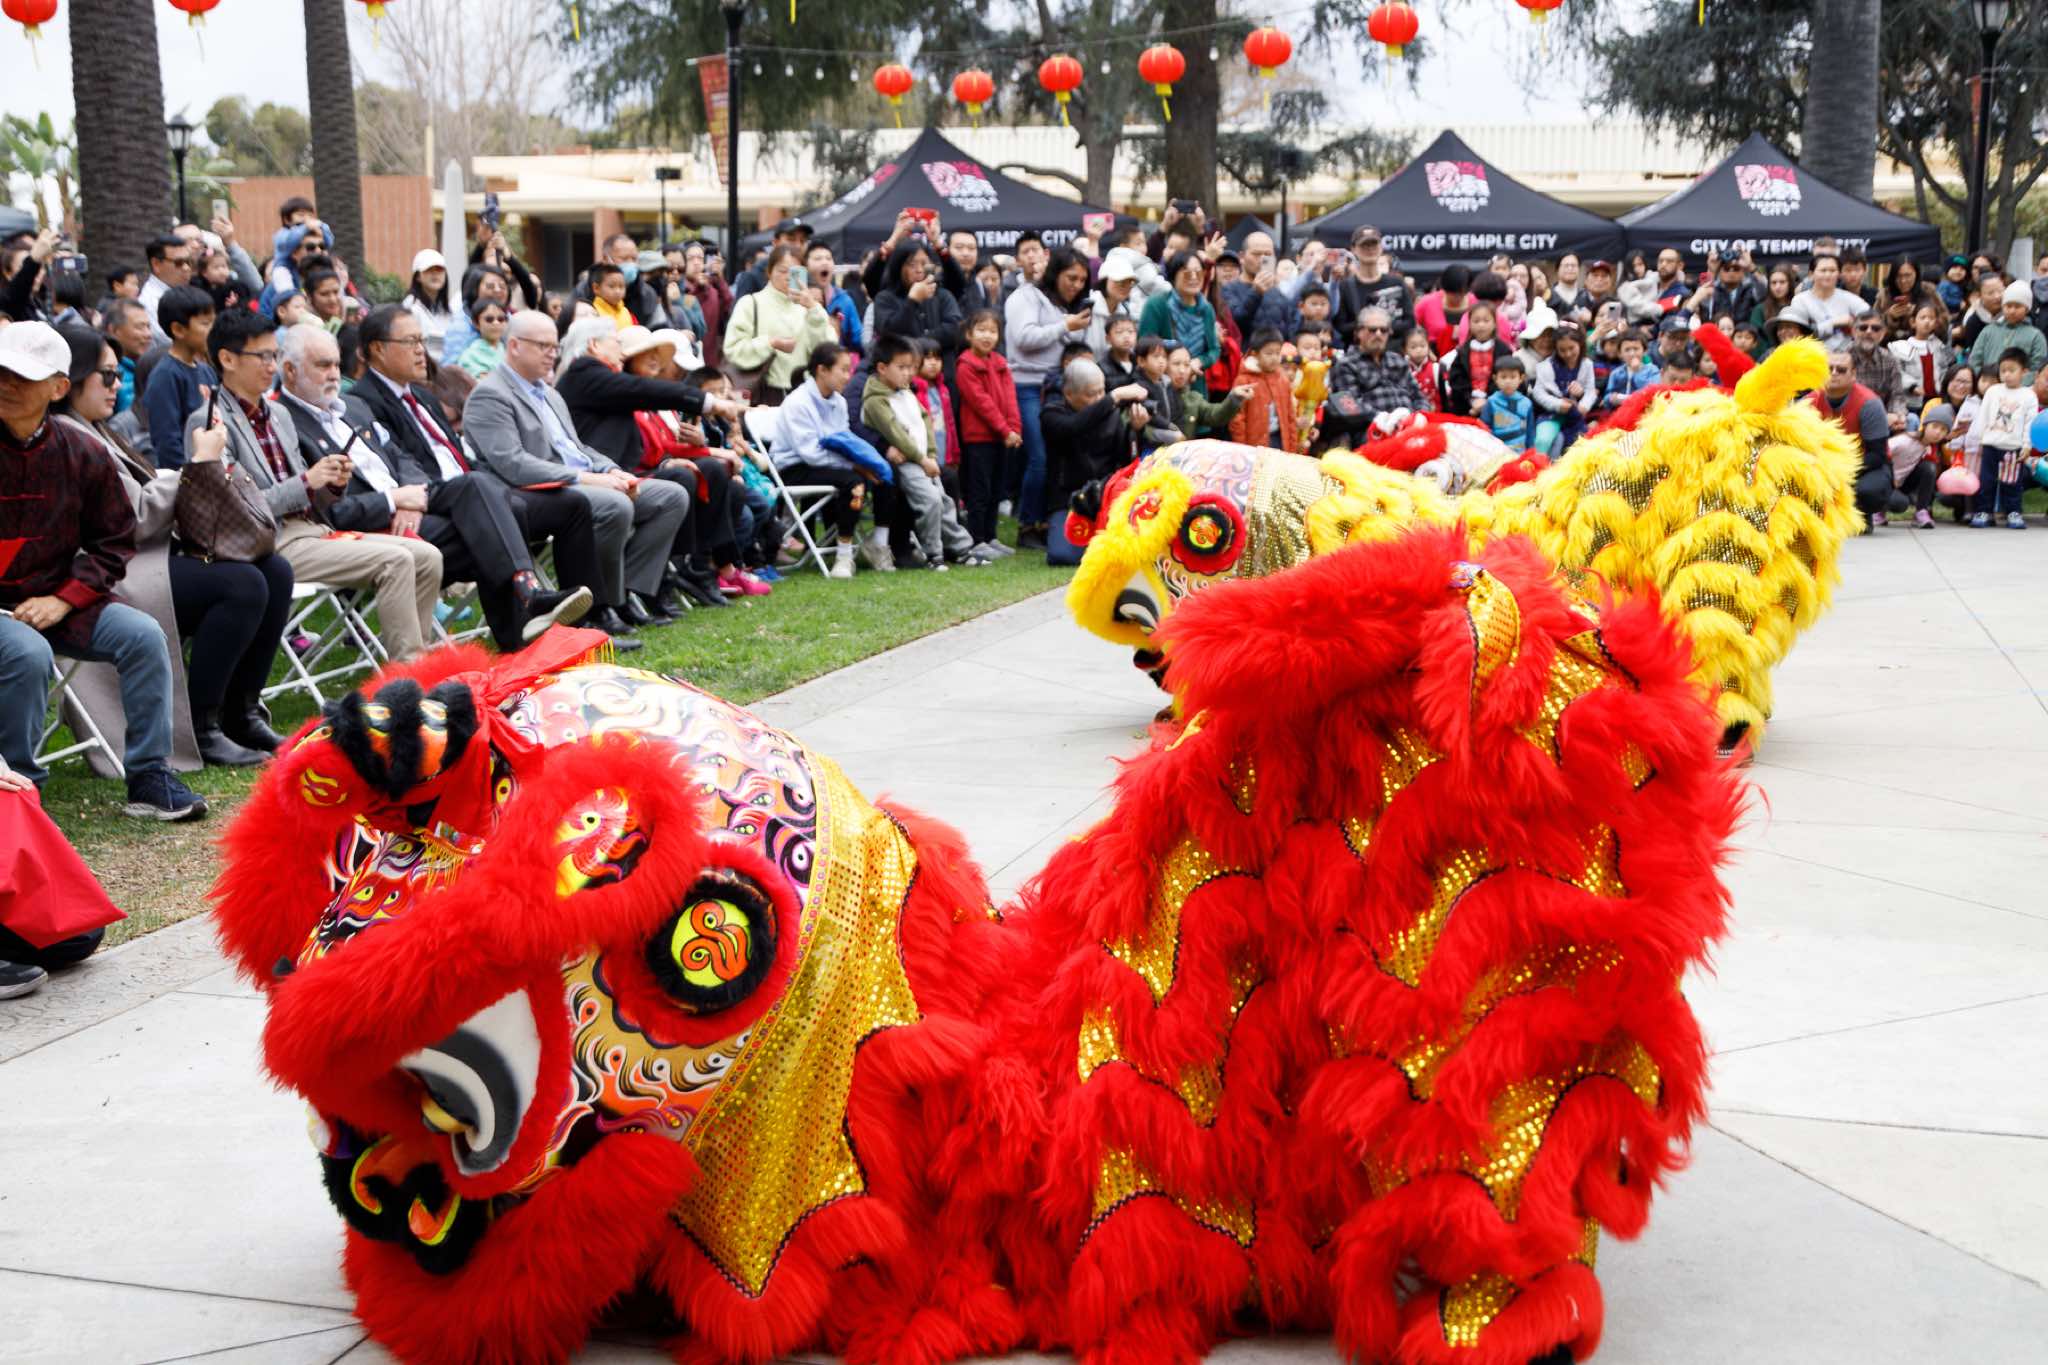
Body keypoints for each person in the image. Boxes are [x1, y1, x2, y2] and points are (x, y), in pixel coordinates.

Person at [279, 322, 589, 652]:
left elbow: (400, 458)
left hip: (412, 503)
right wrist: (393, 500)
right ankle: (522, 621)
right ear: (290, 370)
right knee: (488, 525)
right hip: (369, 527)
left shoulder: (352, 408)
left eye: (336, 364)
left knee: (479, 491)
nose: (333, 374)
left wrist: (415, 497)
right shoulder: (286, 422)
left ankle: (526, 608)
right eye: (322, 365)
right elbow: (330, 510)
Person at [0, 323, 205, 818]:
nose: (7, 385)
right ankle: (18, 788)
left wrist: (65, 598)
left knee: (143, 635)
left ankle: (149, 776)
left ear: (58, 388)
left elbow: (114, 542)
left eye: (22, 377)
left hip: (55, 598)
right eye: (0, 373)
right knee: (26, 653)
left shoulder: (83, 452)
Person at [189, 308, 445, 665]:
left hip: (311, 531)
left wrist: (332, 485)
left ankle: (423, 660)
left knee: (428, 557)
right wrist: (308, 481)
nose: (272, 366)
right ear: (227, 359)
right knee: (396, 561)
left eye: (274, 355)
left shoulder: (277, 415)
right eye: (262, 356)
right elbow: (234, 508)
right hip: (265, 544)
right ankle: (410, 672)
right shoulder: (210, 423)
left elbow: (309, 496)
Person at [466, 312, 690, 643]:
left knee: (672, 496)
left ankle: (631, 592)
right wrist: (588, 479)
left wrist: (611, 469)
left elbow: (577, 447)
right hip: (535, 492)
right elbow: (513, 465)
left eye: (554, 346)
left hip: (579, 482)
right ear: (513, 346)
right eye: (542, 346)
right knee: (615, 505)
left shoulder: (549, 393)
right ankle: (600, 606)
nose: (552, 354)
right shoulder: (490, 394)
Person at [555, 320, 750, 611]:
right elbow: (650, 431)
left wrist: (703, 448)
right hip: (599, 478)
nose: (621, 350)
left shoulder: (613, 383)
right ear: (594, 345)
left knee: (696, 480)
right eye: (616, 342)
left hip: (619, 473)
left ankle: (666, 577)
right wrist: (710, 403)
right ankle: (625, 595)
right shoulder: (588, 373)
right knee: (680, 481)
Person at [860, 334, 979, 570]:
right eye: (902, 367)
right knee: (931, 502)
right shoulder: (875, 400)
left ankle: (962, 549)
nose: (908, 373)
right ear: (882, 368)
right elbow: (896, 434)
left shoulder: (905, 391)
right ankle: (934, 554)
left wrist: (931, 454)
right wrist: (923, 459)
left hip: (924, 459)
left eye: (911, 367)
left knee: (944, 502)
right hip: (908, 463)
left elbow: (924, 419)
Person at [1006, 244, 1094, 549]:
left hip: (1057, 385)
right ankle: (1028, 525)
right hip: (1027, 386)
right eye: (1071, 278)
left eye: (1082, 280)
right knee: (1039, 458)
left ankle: (1047, 522)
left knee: (1057, 458)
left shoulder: (1061, 304)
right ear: (1056, 273)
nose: (1076, 285)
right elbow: (1024, 338)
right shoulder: (1025, 297)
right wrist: (1066, 325)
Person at [776, 343, 878, 579]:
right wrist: (853, 465)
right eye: (843, 370)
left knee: (873, 476)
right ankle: (844, 556)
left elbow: (844, 441)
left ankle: (877, 544)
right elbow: (810, 453)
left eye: (849, 370)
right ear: (822, 370)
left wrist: (865, 463)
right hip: (793, 468)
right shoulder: (798, 402)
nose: (847, 376)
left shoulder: (839, 402)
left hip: (825, 466)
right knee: (854, 482)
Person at [1041, 357, 1144, 561]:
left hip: (1103, 495)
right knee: (1063, 555)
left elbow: (1126, 459)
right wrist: (1113, 396)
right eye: (1091, 394)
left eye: (1102, 391)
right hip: (1067, 499)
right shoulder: (1051, 414)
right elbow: (1074, 426)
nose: (1099, 398)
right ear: (1068, 394)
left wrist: (1136, 430)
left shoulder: (1111, 413)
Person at [722, 244, 838, 405]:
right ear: (769, 272)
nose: (789, 277)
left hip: (803, 393)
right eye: (783, 271)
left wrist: (813, 309)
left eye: (795, 272)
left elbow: (828, 350)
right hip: (764, 393)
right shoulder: (750, 303)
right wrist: (770, 343)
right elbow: (733, 349)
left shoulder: (809, 307)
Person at [955, 309, 1022, 553]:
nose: (987, 336)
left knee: (996, 489)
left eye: (992, 331)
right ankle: (977, 539)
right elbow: (982, 404)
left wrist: (1015, 428)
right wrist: (1005, 430)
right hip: (979, 439)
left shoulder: (1000, 363)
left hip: (1002, 438)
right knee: (979, 490)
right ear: (969, 334)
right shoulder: (965, 365)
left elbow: (1010, 398)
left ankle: (991, 536)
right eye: (981, 330)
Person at [1812, 345, 1892, 528]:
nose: (1834, 373)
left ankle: (1863, 514)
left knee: (1870, 491)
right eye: (1829, 369)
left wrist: (1841, 470)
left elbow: (1877, 455)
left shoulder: (1870, 404)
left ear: (1853, 374)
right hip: (1824, 466)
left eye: (1841, 370)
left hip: (1865, 466)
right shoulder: (1809, 402)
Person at [141, 285, 217, 469]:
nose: (212, 331)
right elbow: (167, 441)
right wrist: (189, 475)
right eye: (205, 324)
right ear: (178, 329)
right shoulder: (165, 376)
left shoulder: (206, 371)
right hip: (189, 475)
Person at [1328, 307, 1424, 437]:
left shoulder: (1398, 360)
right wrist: (1385, 419)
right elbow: (1349, 406)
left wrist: (1418, 416)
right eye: (1372, 330)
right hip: (1373, 432)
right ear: (1358, 333)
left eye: (1383, 330)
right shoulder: (1345, 365)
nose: (1378, 334)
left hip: (1411, 426)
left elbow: (1419, 396)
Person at [1972, 347, 2039, 528]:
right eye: (2003, 370)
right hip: (1990, 444)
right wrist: (1979, 439)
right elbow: (1983, 416)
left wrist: (2027, 445)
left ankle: (2013, 512)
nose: (2006, 375)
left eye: (2012, 370)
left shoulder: (2029, 396)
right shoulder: (1993, 391)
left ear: (2024, 371)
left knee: (2012, 481)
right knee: (1987, 480)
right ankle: (1984, 511)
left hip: (2013, 447)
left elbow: (2030, 422)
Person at [871, 241, 964, 366]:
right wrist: (912, 301)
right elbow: (890, 334)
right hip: (904, 369)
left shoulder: (942, 295)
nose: (919, 270)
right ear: (899, 266)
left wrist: (920, 339)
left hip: (941, 369)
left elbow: (954, 329)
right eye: (912, 264)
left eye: (924, 263)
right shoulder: (885, 298)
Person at [1533, 324, 1598, 456]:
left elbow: (1590, 391)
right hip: (1551, 415)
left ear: (1580, 344)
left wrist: (1583, 404)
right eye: (1562, 350)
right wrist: (1558, 404)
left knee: (1580, 445)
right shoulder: (1545, 366)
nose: (1568, 354)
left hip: (1576, 416)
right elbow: (1538, 393)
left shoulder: (1587, 365)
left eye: (1571, 348)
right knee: (1543, 441)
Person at [1967, 279, 2047, 381]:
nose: (2012, 311)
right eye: (2008, 306)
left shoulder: (2035, 336)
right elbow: (1974, 360)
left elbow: (2037, 369)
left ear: (2027, 309)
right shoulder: (1988, 331)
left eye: (2017, 306)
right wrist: (1984, 381)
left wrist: (2016, 384)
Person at [1885, 403, 1948, 529]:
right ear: (1925, 425)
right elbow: (1880, 455)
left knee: (1929, 468)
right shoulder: (1904, 440)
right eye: (1935, 426)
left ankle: (1921, 512)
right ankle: (1877, 511)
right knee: (1899, 503)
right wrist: (1889, 477)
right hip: (1885, 482)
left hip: (1902, 484)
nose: (1937, 432)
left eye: (1943, 430)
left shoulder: (1929, 449)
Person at [1848, 314, 1908, 432]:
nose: (1869, 332)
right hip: (1851, 416)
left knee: (1911, 420)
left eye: (1875, 328)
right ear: (1853, 332)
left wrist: (1897, 415)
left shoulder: (1890, 359)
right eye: (1863, 328)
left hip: (1885, 417)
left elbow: (1897, 395)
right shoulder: (1841, 358)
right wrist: (1880, 418)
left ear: (1882, 334)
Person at [1442, 302, 1502, 417]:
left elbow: (1505, 377)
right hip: (1466, 406)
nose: (1481, 325)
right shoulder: (1463, 351)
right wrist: (1471, 400)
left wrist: (1487, 401)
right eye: (1476, 321)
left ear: (1494, 323)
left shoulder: (1503, 350)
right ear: (1469, 324)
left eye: (1486, 321)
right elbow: (1456, 378)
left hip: (1496, 406)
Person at [734, 218, 813, 300]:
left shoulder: (810, 274)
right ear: (776, 243)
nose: (798, 245)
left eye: (803, 241)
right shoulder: (753, 276)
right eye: (791, 239)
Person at [137, 234, 197, 342]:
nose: (186, 268)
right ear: (156, 264)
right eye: (179, 263)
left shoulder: (187, 291)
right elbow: (168, 341)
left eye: (189, 262)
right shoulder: (150, 302)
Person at [100, 297, 152, 418]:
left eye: (148, 327)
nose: (148, 334)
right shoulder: (108, 373)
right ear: (114, 330)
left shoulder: (150, 365)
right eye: (140, 327)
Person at [401, 249, 455, 357]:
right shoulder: (410, 307)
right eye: (429, 270)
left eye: (439, 269)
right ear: (418, 277)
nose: (435, 274)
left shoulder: (446, 309)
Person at [1413, 264, 1472, 356]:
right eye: (1452, 293)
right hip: (1433, 355)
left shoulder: (1476, 303)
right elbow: (1412, 327)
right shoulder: (1427, 302)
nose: (1457, 297)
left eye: (1462, 293)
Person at [1620, 248, 1688, 322]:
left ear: (1680, 266)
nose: (1663, 264)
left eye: (1669, 261)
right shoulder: (1627, 287)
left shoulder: (1681, 292)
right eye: (1660, 261)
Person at [1481, 356, 1535, 449]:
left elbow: (1530, 430)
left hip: (1519, 451)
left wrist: (1530, 449)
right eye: (1503, 377)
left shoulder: (1526, 403)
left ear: (1521, 378)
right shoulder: (1491, 402)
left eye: (1513, 377)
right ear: (1495, 378)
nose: (1508, 381)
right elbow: (1484, 428)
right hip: (1497, 451)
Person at [1602, 329, 1660, 410]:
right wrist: (1611, 399)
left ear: (1644, 351)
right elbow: (1607, 397)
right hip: (1621, 411)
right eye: (1627, 350)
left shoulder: (1652, 370)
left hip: (1644, 412)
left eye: (1636, 349)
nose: (1632, 354)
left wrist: (1637, 371)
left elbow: (1651, 393)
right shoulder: (1616, 373)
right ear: (1620, 353)